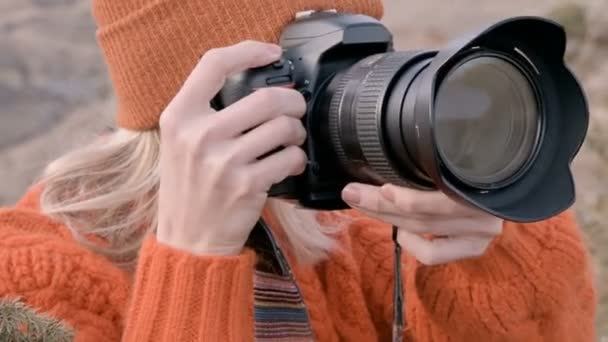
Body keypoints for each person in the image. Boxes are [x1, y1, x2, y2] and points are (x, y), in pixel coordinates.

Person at [0, 0, 597, 341]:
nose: (348, 99)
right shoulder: (33, 286)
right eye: (307, 75)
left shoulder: (365, 220)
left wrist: (490, 235)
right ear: (203, 94)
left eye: (365, 60)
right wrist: (193, 257)